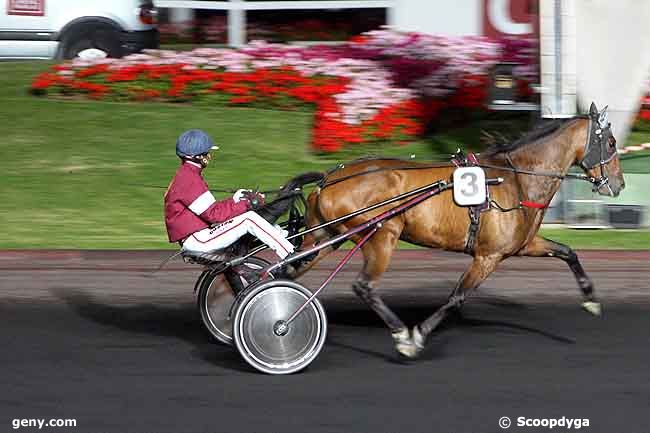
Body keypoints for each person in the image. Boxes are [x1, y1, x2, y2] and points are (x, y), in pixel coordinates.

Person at [164, 129, 295, 259]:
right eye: (206, 153)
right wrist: (246, 204)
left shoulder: (188, 175)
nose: (209, 156)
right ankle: (289, 253)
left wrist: (235, 200)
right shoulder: (189, 179)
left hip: (200, 236)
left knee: (250, 216)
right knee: (249, 219)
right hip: (199, 240)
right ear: (196, 156)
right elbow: (214, 214)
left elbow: (211, 209)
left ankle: (284, 235)